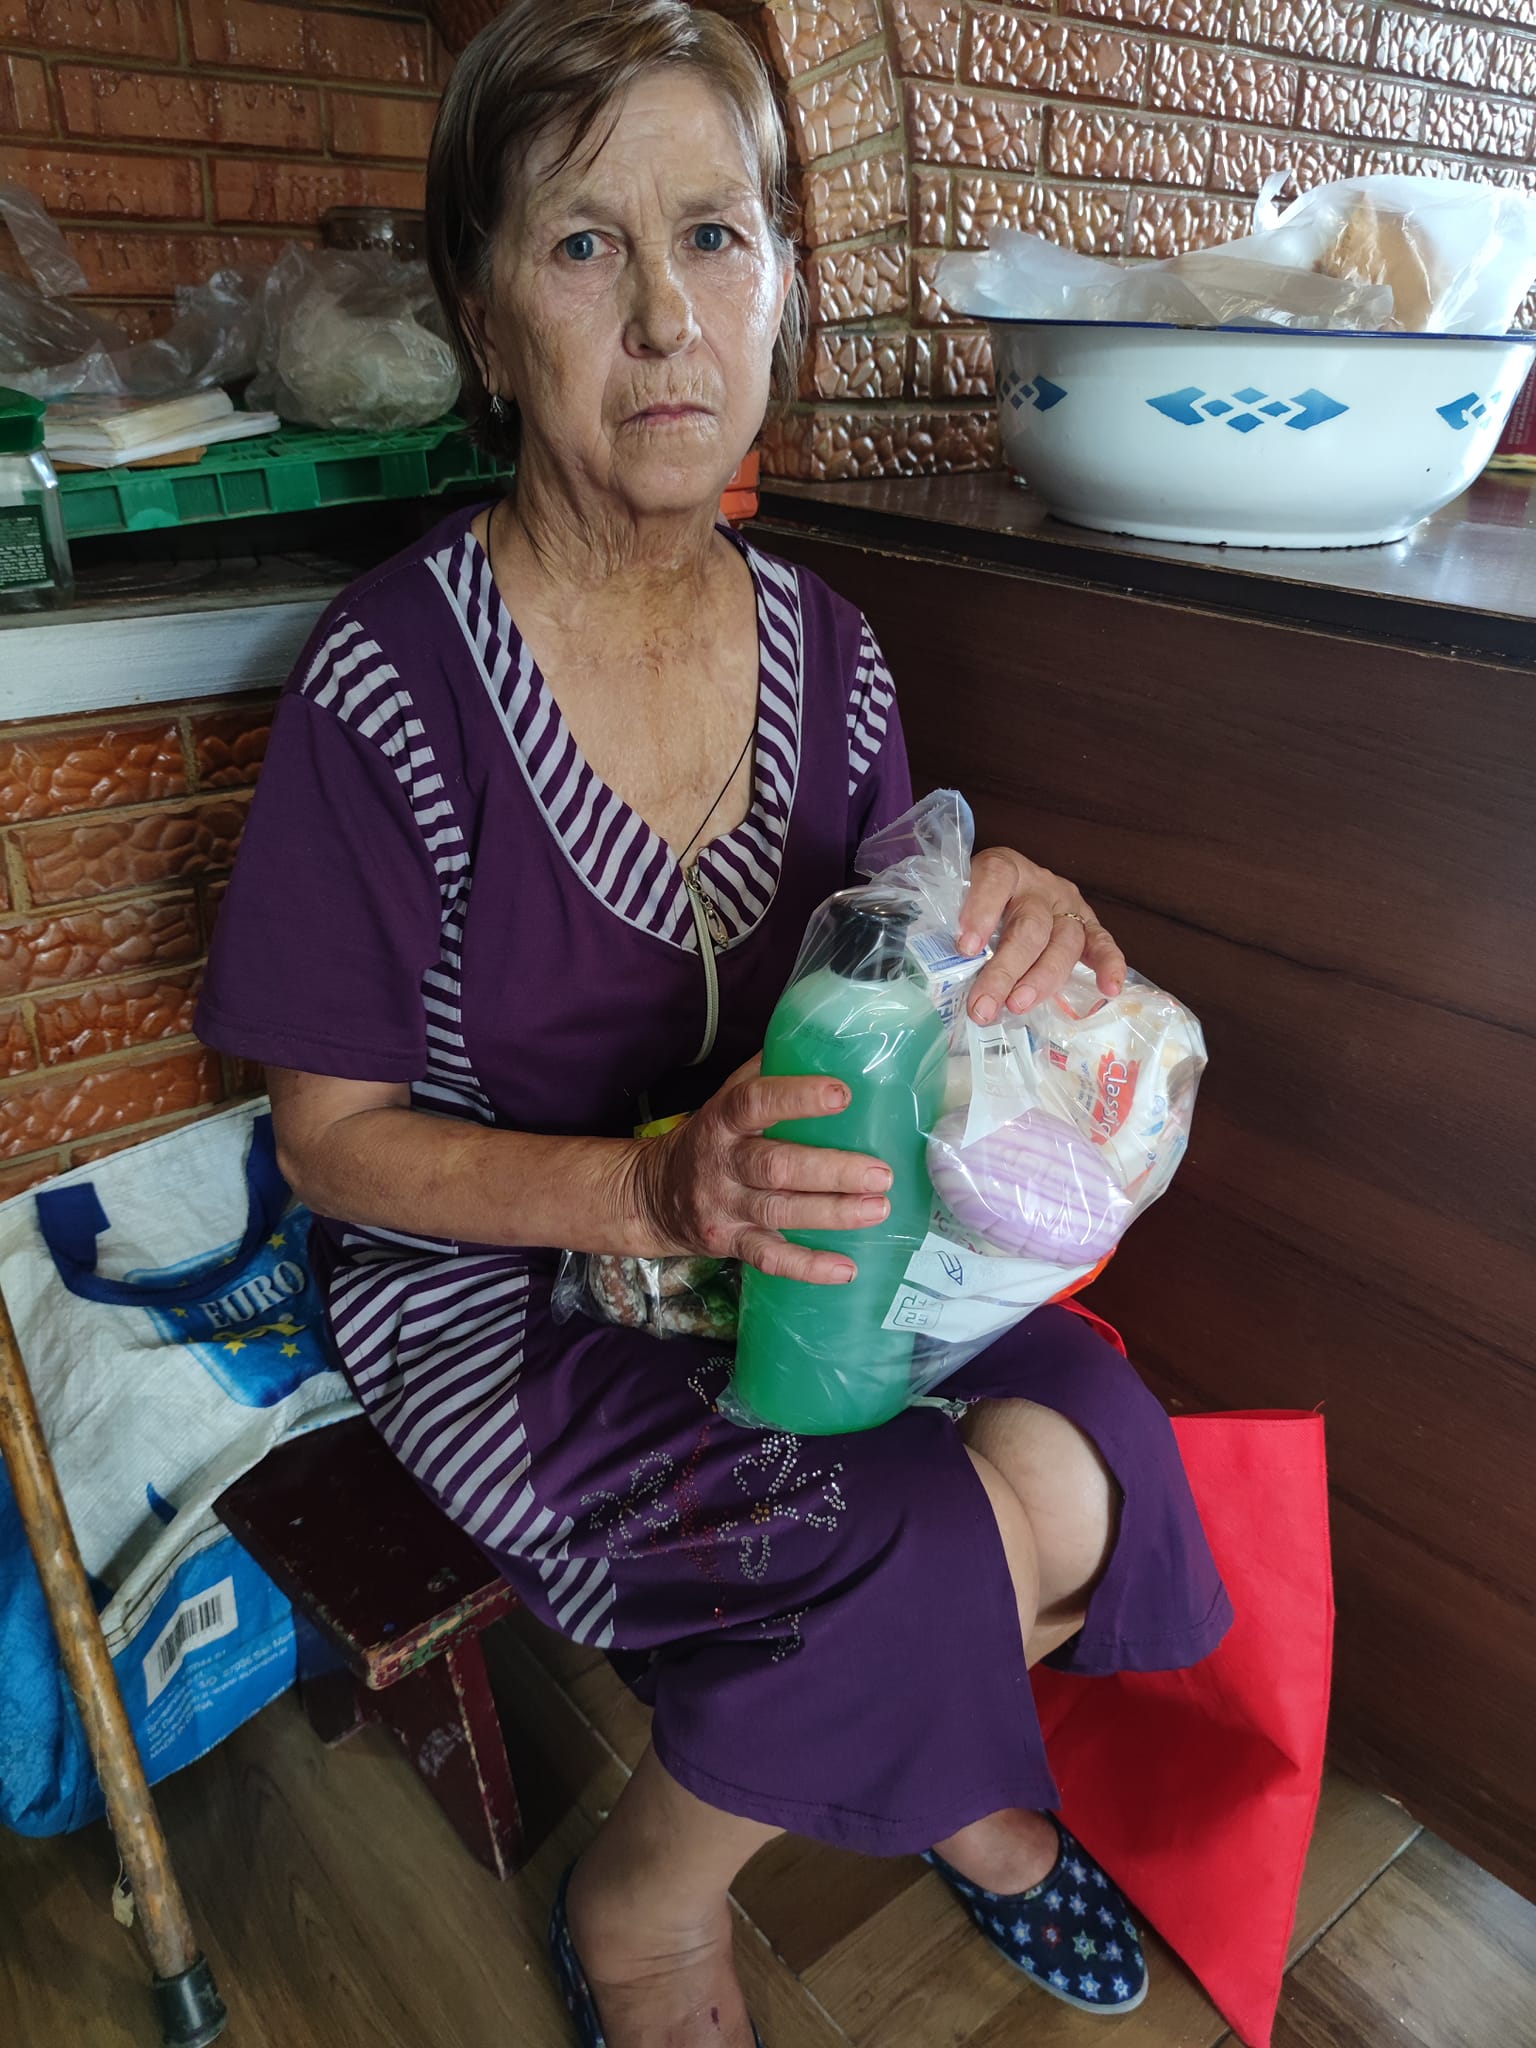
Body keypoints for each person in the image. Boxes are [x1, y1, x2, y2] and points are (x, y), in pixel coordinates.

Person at [196, 6, 1232, 2045]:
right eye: (584, 246)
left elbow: (888, 972)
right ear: (487, 324)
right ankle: (650, 1900)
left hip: (802, 1229)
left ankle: (915, 1745)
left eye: (715, 237)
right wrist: (656, 1193)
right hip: (497, 1280)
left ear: (782, 285)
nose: (667, 318)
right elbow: (328, 1142)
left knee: (1097, 1455)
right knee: (918, 1530)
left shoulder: (837, 654)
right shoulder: (389, 683)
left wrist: (1010, 919)